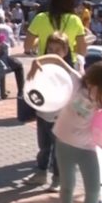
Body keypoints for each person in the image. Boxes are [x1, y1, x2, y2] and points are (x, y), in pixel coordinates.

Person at [34, 59, 102, 203]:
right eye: (101, 89)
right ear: (90, 81)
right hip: (64, 142)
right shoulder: (76, 82)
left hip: (87, 148)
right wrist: (35, 63)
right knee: (67, 184)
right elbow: (57, 60)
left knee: (93, 188)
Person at [23, 31, 76, 192]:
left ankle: (58, 178)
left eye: (57, 50)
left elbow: (74, 92)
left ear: (65, 51)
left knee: (58, 150)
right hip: (43, 114)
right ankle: (41, 173)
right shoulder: (42, 67)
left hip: (60, 116)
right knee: (44, 147)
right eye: (50, 49)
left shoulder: (68, 70)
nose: (53, 53)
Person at [24, 0, 87, 64]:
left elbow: (27, 46)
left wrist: (40, 41)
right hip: (67, 65)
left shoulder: (40, 17)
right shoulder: (75, 20)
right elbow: (82, 51)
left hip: (44, 64)